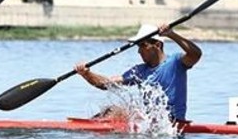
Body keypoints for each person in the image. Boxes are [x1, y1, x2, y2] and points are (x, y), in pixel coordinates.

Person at [73, 23, 202, 122]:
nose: (139, 51)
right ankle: (89, 128)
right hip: (149, 124)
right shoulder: (139, 71)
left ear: (157, 45)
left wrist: (172, 34)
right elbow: (106, 84)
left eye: (142, 45)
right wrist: (86, 74)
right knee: (110, 111)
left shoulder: (176, 62)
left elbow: (196, 54)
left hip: (172, 123)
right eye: (138, 46)